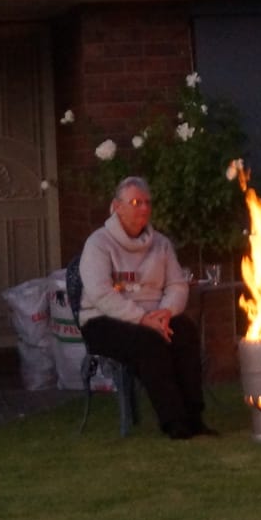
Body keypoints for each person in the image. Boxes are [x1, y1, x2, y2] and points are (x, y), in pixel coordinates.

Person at [77, 176, 213, 440]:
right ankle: (174, 422)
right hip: (104, 319)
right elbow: (100, 293)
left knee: (184, 331)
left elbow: (177, 284)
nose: (144, 208)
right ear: (117, 207)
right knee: (148, 342)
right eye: (136, 202)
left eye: (148, 202)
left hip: (155, 316)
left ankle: (195, 418)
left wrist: (166, 312)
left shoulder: (161, 244)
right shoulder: (98, 244)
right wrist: (142, 318)